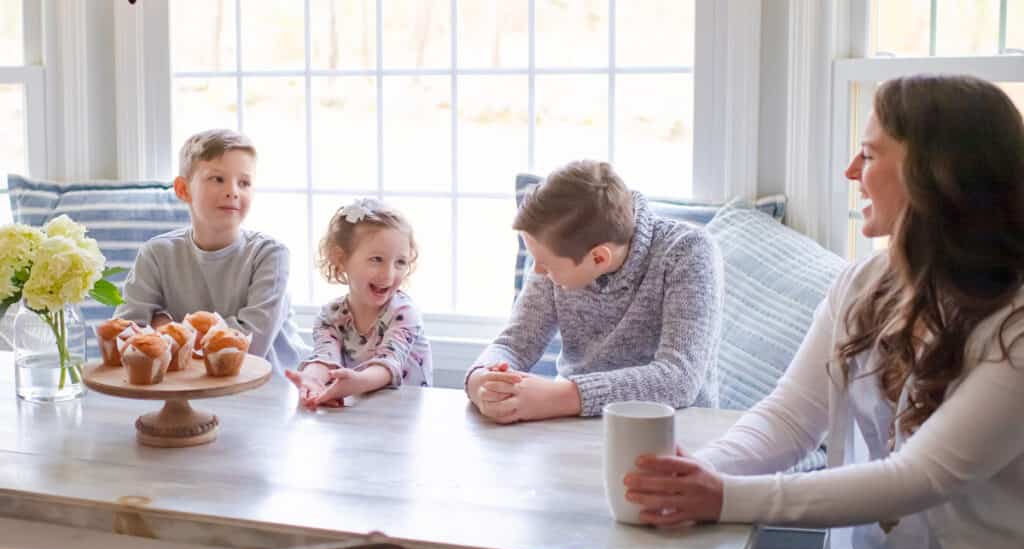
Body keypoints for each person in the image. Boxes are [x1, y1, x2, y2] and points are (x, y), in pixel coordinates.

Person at [624, 76, 1024, 549]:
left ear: (936, 174)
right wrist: (699, 472)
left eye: (868, 154)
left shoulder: (1014, 325)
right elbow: (789, 418)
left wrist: (722, 497)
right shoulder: (862, 286)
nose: (851, 173)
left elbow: (921, 476)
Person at [465, 159, 723, 423]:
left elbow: (679, 378)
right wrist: (482, 381)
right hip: (572, 422)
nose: (538, 271)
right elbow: (514, 343)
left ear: (599, 258)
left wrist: (561, 397)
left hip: (671, 429)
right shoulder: (558, 249)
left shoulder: (688, 252)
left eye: (547, 264)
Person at [116, 129, 304, 372]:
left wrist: (166, 326)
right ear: (183, 190)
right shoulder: (156, 254)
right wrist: (163, 331)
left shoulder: (270, 255)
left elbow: (250, 345)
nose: (233, 191)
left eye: (244, 182)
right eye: (217, 179)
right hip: (188, 391)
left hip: (269, 392)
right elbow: (127, 333)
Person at [285, 198, 431, 409]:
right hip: (359, 416)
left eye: (400, 262)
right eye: (376, 259)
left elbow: (389, 363)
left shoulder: (404, 312)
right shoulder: (331, 316)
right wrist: (311, 379)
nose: (389, 275)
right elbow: (325, 358)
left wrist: (356, 383)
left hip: (404, 419)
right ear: (341, 259)